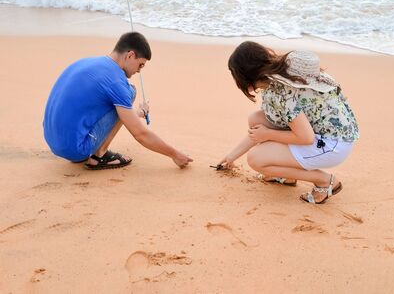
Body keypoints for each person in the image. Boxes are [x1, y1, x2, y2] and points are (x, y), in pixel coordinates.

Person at [217, 41, 359, 204]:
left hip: (331, 145)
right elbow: (262, 127)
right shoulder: (283, 77)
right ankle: (285, 175)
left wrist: (267, 134)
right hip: (333, 134)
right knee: (256, 119)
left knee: (256, 159)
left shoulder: (281, 93)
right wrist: (231, 157)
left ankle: (324, 181)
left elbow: (306, 138)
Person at [43, 32, 193, 170]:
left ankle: (87, 143)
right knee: (129, 91)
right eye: (140, 64)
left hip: (52, 140)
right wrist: (175, 155)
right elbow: (140, 134)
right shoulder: (116, 83)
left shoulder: (85, 62)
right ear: (130, 55)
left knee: (116, 98)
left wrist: (137, 113)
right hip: (75, 149)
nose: (139, 70)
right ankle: (99, 156)